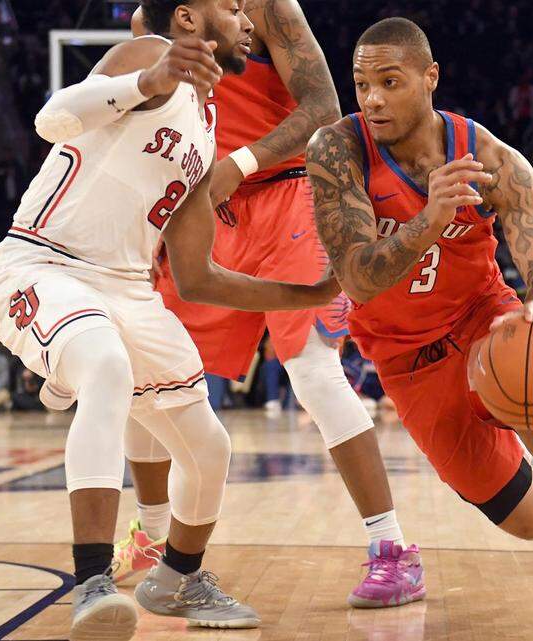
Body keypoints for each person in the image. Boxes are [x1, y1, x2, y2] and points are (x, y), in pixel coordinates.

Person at [305, 18, 533, 641]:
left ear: (430, 79)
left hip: (482, 317)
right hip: (407, 362)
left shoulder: (492, 160)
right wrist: (430, 217)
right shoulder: (336, 151)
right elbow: (359, 279)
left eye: (389, 82)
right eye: (361, 83)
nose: (371, 98)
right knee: (529, 522)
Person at [0, 3, 338, 638]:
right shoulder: (145, 55)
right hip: (45, 263)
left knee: (209, 446)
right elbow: (51, 118)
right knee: (106, 365)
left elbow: (200, 277)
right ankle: (93, 581)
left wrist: (310, 292)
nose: (247, 18)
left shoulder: (205, 130)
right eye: (232, 8)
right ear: (189, 18)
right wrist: (145, 83)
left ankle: (178, 576)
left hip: (127, 291)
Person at [127, 0, 420, 609]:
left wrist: (241, 161)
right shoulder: (148, 24)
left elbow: (323, 108)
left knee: (312, 371)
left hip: (290, 190)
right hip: (209, 207)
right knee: (146, 370)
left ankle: (393, 551)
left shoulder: (270, 9)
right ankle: (152, 535)